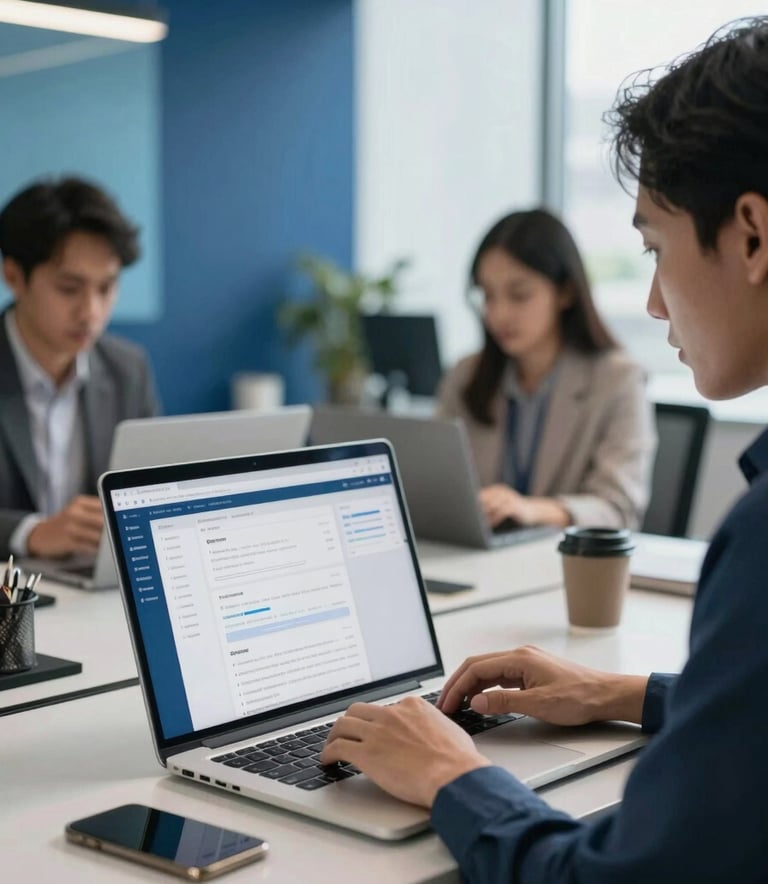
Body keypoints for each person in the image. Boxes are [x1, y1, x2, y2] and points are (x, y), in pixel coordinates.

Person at [321, 16, 768, 882]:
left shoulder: (758, 539)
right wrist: (627, 693)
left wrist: (454, 772)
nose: (653, 303)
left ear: (752, 234)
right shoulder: (469, 377)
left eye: (653, 248)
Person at [436, 208, 655, 530]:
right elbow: (435, 488)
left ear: (565, 292)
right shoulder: (466, 376)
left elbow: (617, 509)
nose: (498, 314)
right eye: (487, 295)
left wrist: (531, 510)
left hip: (564, 564)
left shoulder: (617, 380)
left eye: (519, 294)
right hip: (478, 562)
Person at [0, 176, 159, 560]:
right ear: (14, 277)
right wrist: (30, 532)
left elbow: (152, 491)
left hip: (95, 597)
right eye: (69, 289)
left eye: (106, 288)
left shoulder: (127, 369)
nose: (91, 312)